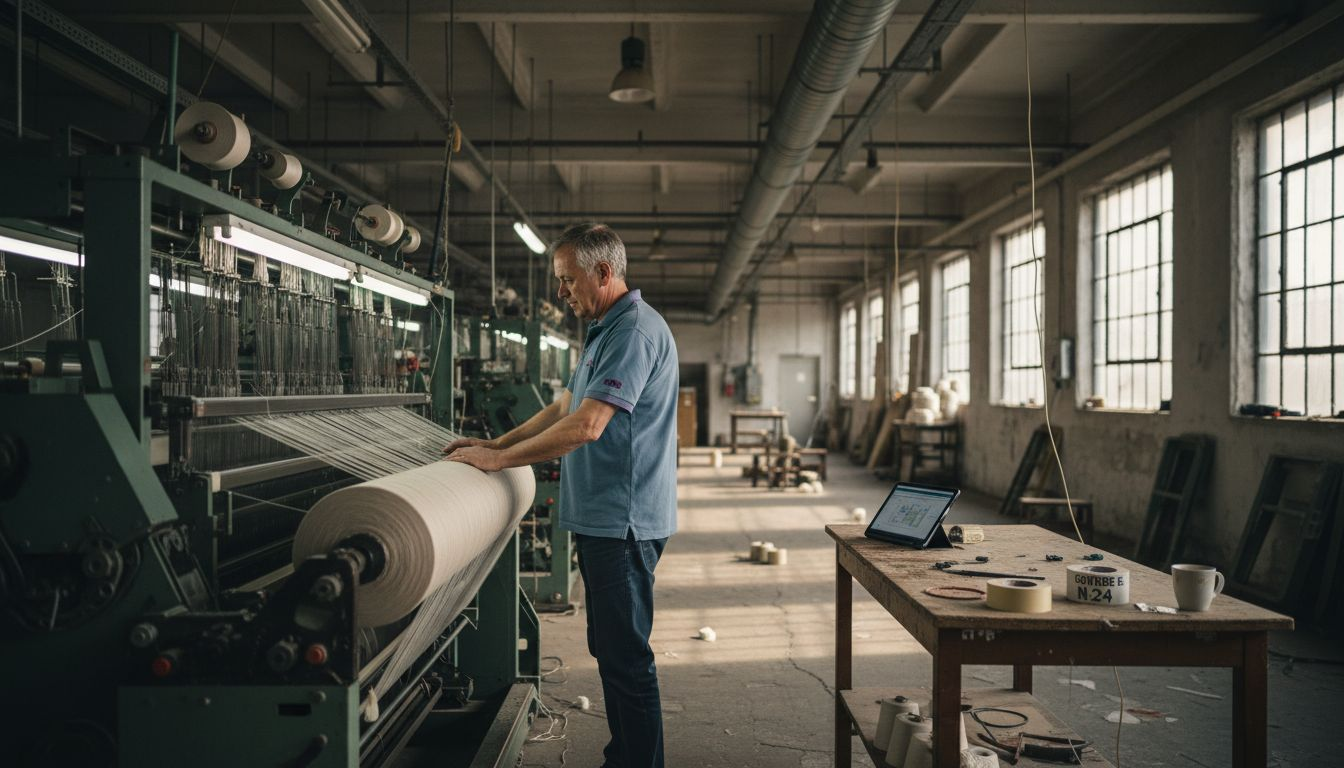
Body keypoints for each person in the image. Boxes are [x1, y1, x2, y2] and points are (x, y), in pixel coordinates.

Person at [444, 222, 678, 768]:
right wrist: (494, 442)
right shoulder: (604, 330)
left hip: (624, 520)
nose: (561, 292)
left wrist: (499, 462)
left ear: (603, 272)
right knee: (611, 650)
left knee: (626, 658)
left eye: (568, 280)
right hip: (603, 519)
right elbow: (565, 407)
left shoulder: (634, 332)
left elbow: (588, 426)